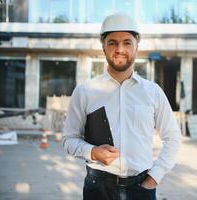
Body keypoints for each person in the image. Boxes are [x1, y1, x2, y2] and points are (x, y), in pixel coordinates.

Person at [62, 13, 181, 200]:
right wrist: (92, 152)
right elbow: (69, 139)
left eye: (127, 42)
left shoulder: (152, 92)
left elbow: (173, 138)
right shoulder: (85, 91)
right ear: (103, 46)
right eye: (112, 43)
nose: (120, 49)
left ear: (136, 46)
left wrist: (154, 178)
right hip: (98, 186)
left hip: (141, 187)